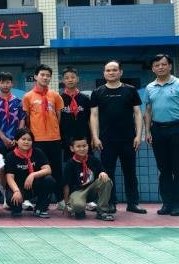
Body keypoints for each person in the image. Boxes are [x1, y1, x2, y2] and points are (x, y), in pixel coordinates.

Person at [89, 60, 147, 214]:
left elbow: (138, 113)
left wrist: (138, 135)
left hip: (128, 139)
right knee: (107, 173)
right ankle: (110, 202)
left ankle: (133, 203)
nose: (111, 72)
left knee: (130, 172)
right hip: (106, 140)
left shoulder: (130, 90)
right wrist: (95, 137)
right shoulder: (97, 92)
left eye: (114, 70)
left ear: (121, 72)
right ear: (104, 73)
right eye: (108, 70)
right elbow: (93, 115)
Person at [143, 53, 179, 217]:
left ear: (170, 66)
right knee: (163, 169)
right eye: (157, 65)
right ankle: (167, 203)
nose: (160, 67)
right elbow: (148, 111)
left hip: (176, 128)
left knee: (178, 168)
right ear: (153, 68)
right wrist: (147, 131)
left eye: (163, 64)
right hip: (157, 130)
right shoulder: (150, 87)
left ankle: (178, 205)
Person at [22, 64, 64, 208]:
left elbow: (58, 117)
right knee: (36, 170)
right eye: (42, 75)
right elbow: (27, 119)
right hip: (37, 140)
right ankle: (36, 200)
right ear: (36, 76)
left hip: (54, 139)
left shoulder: (55, 96)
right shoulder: (28, 97)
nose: (45, 78)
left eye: (48, 75)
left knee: (57, 170)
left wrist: (53, 130)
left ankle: (60, 200)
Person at [4, 128, 56, 218]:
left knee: (49, 180)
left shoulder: (37, 152)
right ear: (16, 141)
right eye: (23, 139)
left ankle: (40, 208)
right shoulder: (10, 156)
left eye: (29, 140)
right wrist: (16, 191)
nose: (26, 142)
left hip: (33, 186)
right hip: (18, 187)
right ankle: (17, 208)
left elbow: (48, 169)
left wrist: (33, 175)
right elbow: (9, 178)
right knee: (15, 208)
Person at [63, 135, 114, 221]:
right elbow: (66, 185)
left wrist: (103, 173)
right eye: (78, 146)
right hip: (77, 192)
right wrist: (66, 204)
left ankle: (102, 211)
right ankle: (80, 209)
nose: (82, 149)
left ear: (88, 146)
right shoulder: (70, 164)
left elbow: (102, 171)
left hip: (91, 189)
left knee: (106, 180)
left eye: (84, 146)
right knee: (78, 207)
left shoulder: (94, 160)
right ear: (72, 148)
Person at [0, 72, 25, 155]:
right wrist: (3, 138)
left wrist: (18, 137)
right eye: (2, 83)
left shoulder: (18, 101)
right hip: (0, 141)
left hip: (17, 141)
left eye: (7, 82)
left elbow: (22, 119)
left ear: (12, 84)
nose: (5, 85)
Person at [59, 67, 92, 164]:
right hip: (67, 140)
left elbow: (90, 120)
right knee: (70, 165)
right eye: (67, 78)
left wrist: (93, 137)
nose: (70, 80)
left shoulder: (85, 99)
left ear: (77, 79)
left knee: (88, 164)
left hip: (84, 139)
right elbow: (57, 121)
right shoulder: (59, 99)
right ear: (63, 80)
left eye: (73, 77)